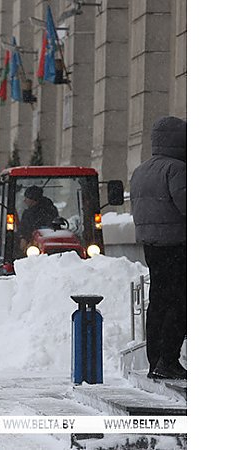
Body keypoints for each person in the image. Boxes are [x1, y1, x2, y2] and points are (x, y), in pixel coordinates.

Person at [130, 116, 186, 380]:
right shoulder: (177, 169)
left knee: (159, 302)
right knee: (180, 302)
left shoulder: (141, 170)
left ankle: (155, 361)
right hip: (177, 244)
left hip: (152, 246)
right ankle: (169, 360)